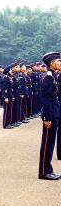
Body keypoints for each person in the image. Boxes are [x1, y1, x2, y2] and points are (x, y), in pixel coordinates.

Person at [38, 52, 61, 180]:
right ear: (51, 63)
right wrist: (47, 118)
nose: (60, 63)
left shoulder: (54, 76)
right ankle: (43, 171)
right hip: (50, 114)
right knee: (47, 143)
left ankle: (48, 169)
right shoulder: (48, 77)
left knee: (50, 143)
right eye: (58, 61)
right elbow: (46, 99)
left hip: (55, 112)